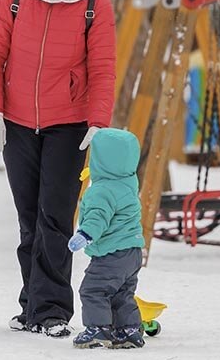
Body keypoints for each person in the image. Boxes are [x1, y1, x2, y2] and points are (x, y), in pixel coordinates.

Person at [0, 0, 116, 338]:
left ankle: (52, 311)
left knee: (55, 217)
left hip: (68, 126)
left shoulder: (96, 3)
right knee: (28, 218)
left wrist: (98, 121)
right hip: (16, 124)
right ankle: (32, 304)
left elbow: (104, 67)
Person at [67, 128, 145, 349]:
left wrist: (85, 234)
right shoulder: (128, 182)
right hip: (133, 252)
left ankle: (98, 329)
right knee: (122, 293)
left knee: (93, 290)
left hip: (112, 253)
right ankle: (127, 330)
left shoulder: (101, 190)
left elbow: (98, 217)